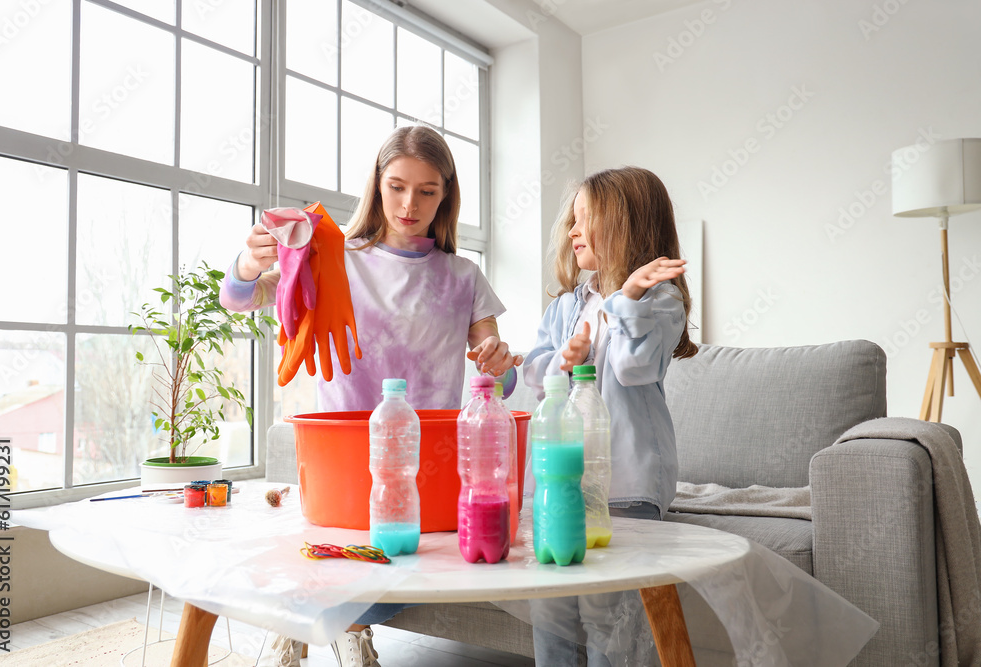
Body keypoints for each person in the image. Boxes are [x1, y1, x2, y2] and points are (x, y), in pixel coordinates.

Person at [220, 125, 523, 667]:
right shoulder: (334, 257)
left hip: (428, 456)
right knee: (337, 551)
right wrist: (249, 263)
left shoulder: (462, 276)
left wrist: (499, 363)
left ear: (446, 195)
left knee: (407, 562)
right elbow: (240, 300)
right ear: (376, 187)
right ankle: (328, 622)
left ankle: (326, 621)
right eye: (397, 186)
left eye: (428, 191)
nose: (410, 204)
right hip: (343, 450)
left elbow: (496, 380)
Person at [521, 166, 698, 666]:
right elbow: (539, 377)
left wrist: (626, 299)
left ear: (623, 225)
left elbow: (632, 366)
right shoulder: (565, 308)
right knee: (550, 604)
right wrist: (566, 360)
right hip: (561, 481)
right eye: (571, 221)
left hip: (627, 484)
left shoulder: (660, 301)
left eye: (585, 219)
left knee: (607, 613)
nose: (572, 231)